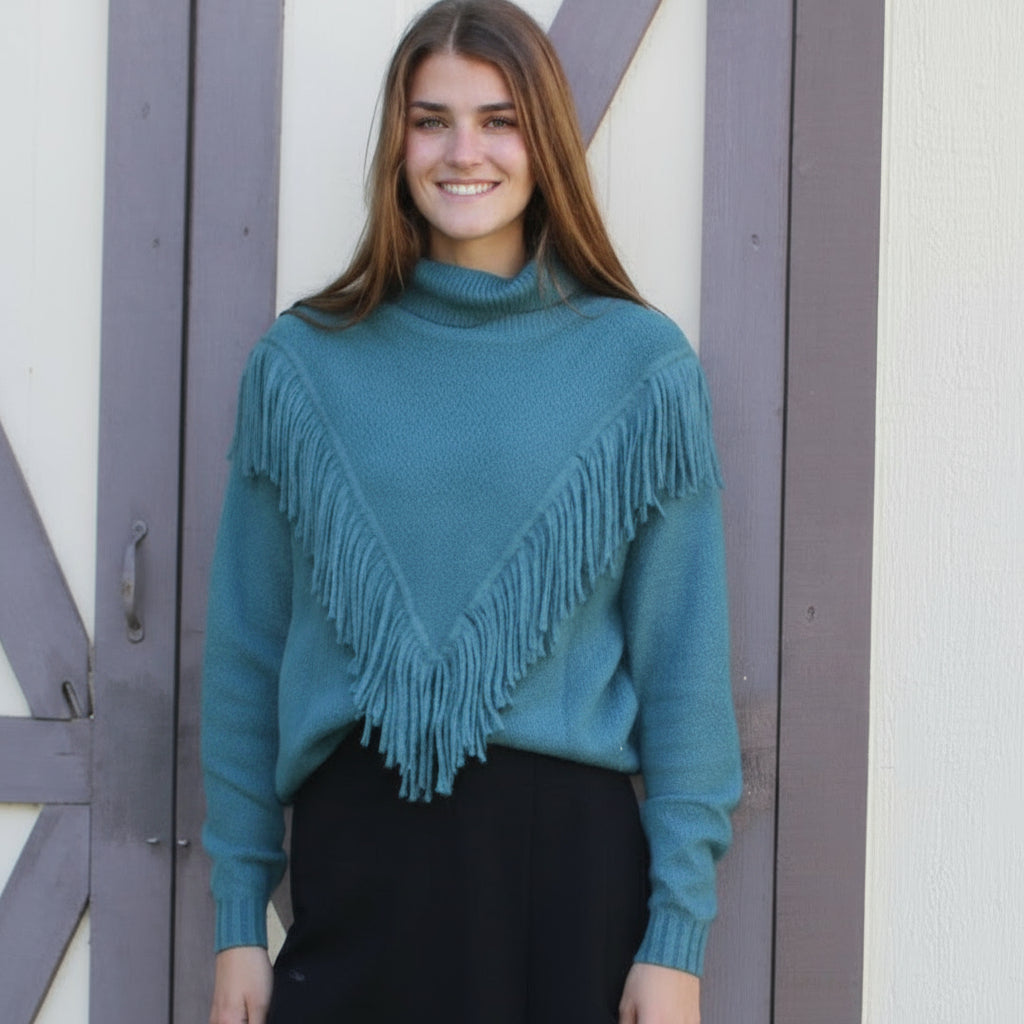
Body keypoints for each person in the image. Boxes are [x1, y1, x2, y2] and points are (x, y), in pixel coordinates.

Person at [202, 2, 742, 1022]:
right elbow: (246, 652)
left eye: (500, 121)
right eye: (431, 121)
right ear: (397, 144)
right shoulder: (303, 366)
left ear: (546, 142)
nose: (464, 153)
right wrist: (238, 916)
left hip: (566, 877)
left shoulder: (640, 368)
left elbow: (684, 667)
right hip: (358, 862)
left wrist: (677, 937)